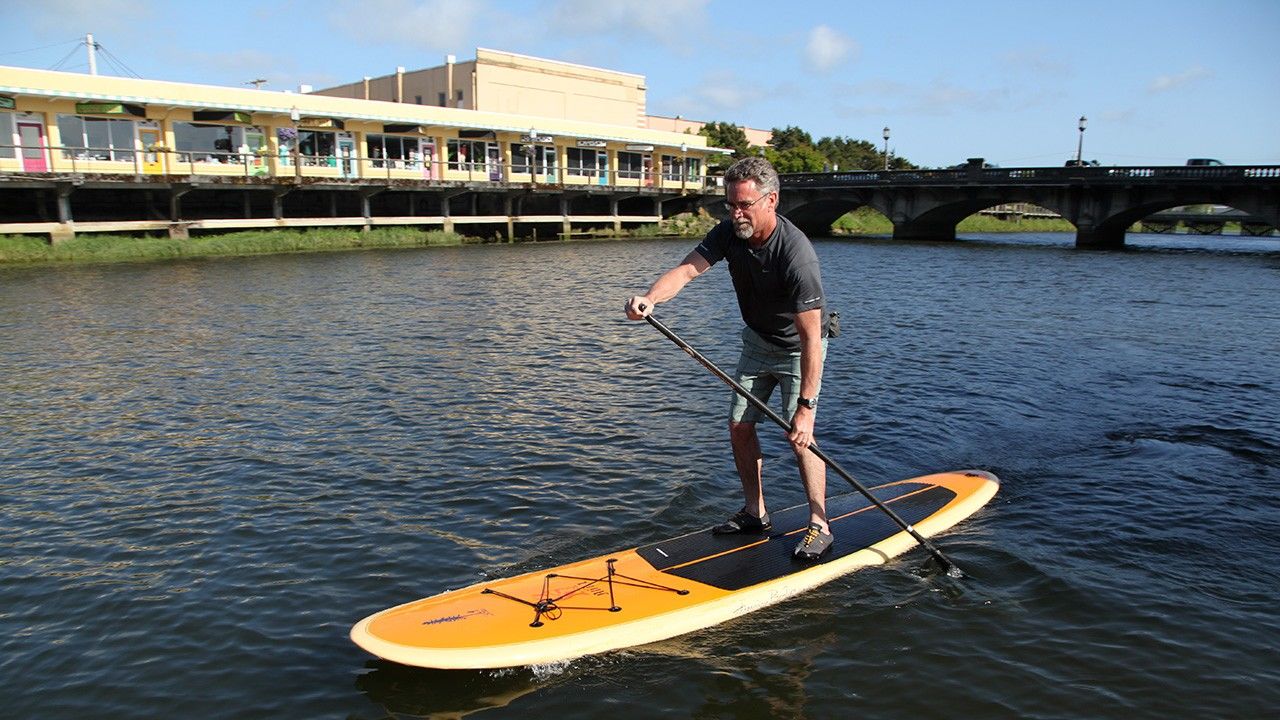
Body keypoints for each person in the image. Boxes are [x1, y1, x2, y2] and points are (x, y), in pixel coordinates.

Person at [625, 156, 833, 561]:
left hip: (798, 349)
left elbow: (811, 337)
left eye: (745, 206)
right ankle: (755, 512)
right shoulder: (729, 233)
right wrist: (650, 298)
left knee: (800, 437)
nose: (736, 213)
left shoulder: (797, 255)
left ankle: (819, 524)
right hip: (757, 342)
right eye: (731, 205)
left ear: (771, 200)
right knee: (739, 425)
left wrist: (806, 408)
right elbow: (686, 271)